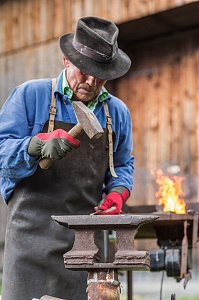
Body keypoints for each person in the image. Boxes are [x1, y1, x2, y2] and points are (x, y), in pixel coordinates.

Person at [0, 16, 134, 300]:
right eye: (84, 70)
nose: (90, 81)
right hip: (29, 242)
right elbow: (2, 155)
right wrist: (34, 146)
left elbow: (122, 165)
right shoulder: (30, 95)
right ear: (66, 60)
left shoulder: (117, 112)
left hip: (84, 246)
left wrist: (119, 192)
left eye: (100, 74)